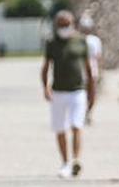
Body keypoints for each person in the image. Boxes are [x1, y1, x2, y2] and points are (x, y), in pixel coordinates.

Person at [41, 10, 95, 178]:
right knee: (60, 128)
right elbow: (46, 67)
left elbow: (88, 68)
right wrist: (45, 87)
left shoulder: (81, 42)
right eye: (61, 25)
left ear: (73, 24)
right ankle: (65, 162)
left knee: (76, 125)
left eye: (67, 24)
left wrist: (92, 92)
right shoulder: (52, 43)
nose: (64, 28)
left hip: (77, 91)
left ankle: (76, 160)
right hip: (58, 91)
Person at [78, 13, 103, 124]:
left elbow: (98, 57)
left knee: (92, 93)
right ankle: (81, 113)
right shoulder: (77, 40)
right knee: (81, 93)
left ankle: (88, 113)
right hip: (79, 71)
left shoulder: (95, 40)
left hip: (92, 70)